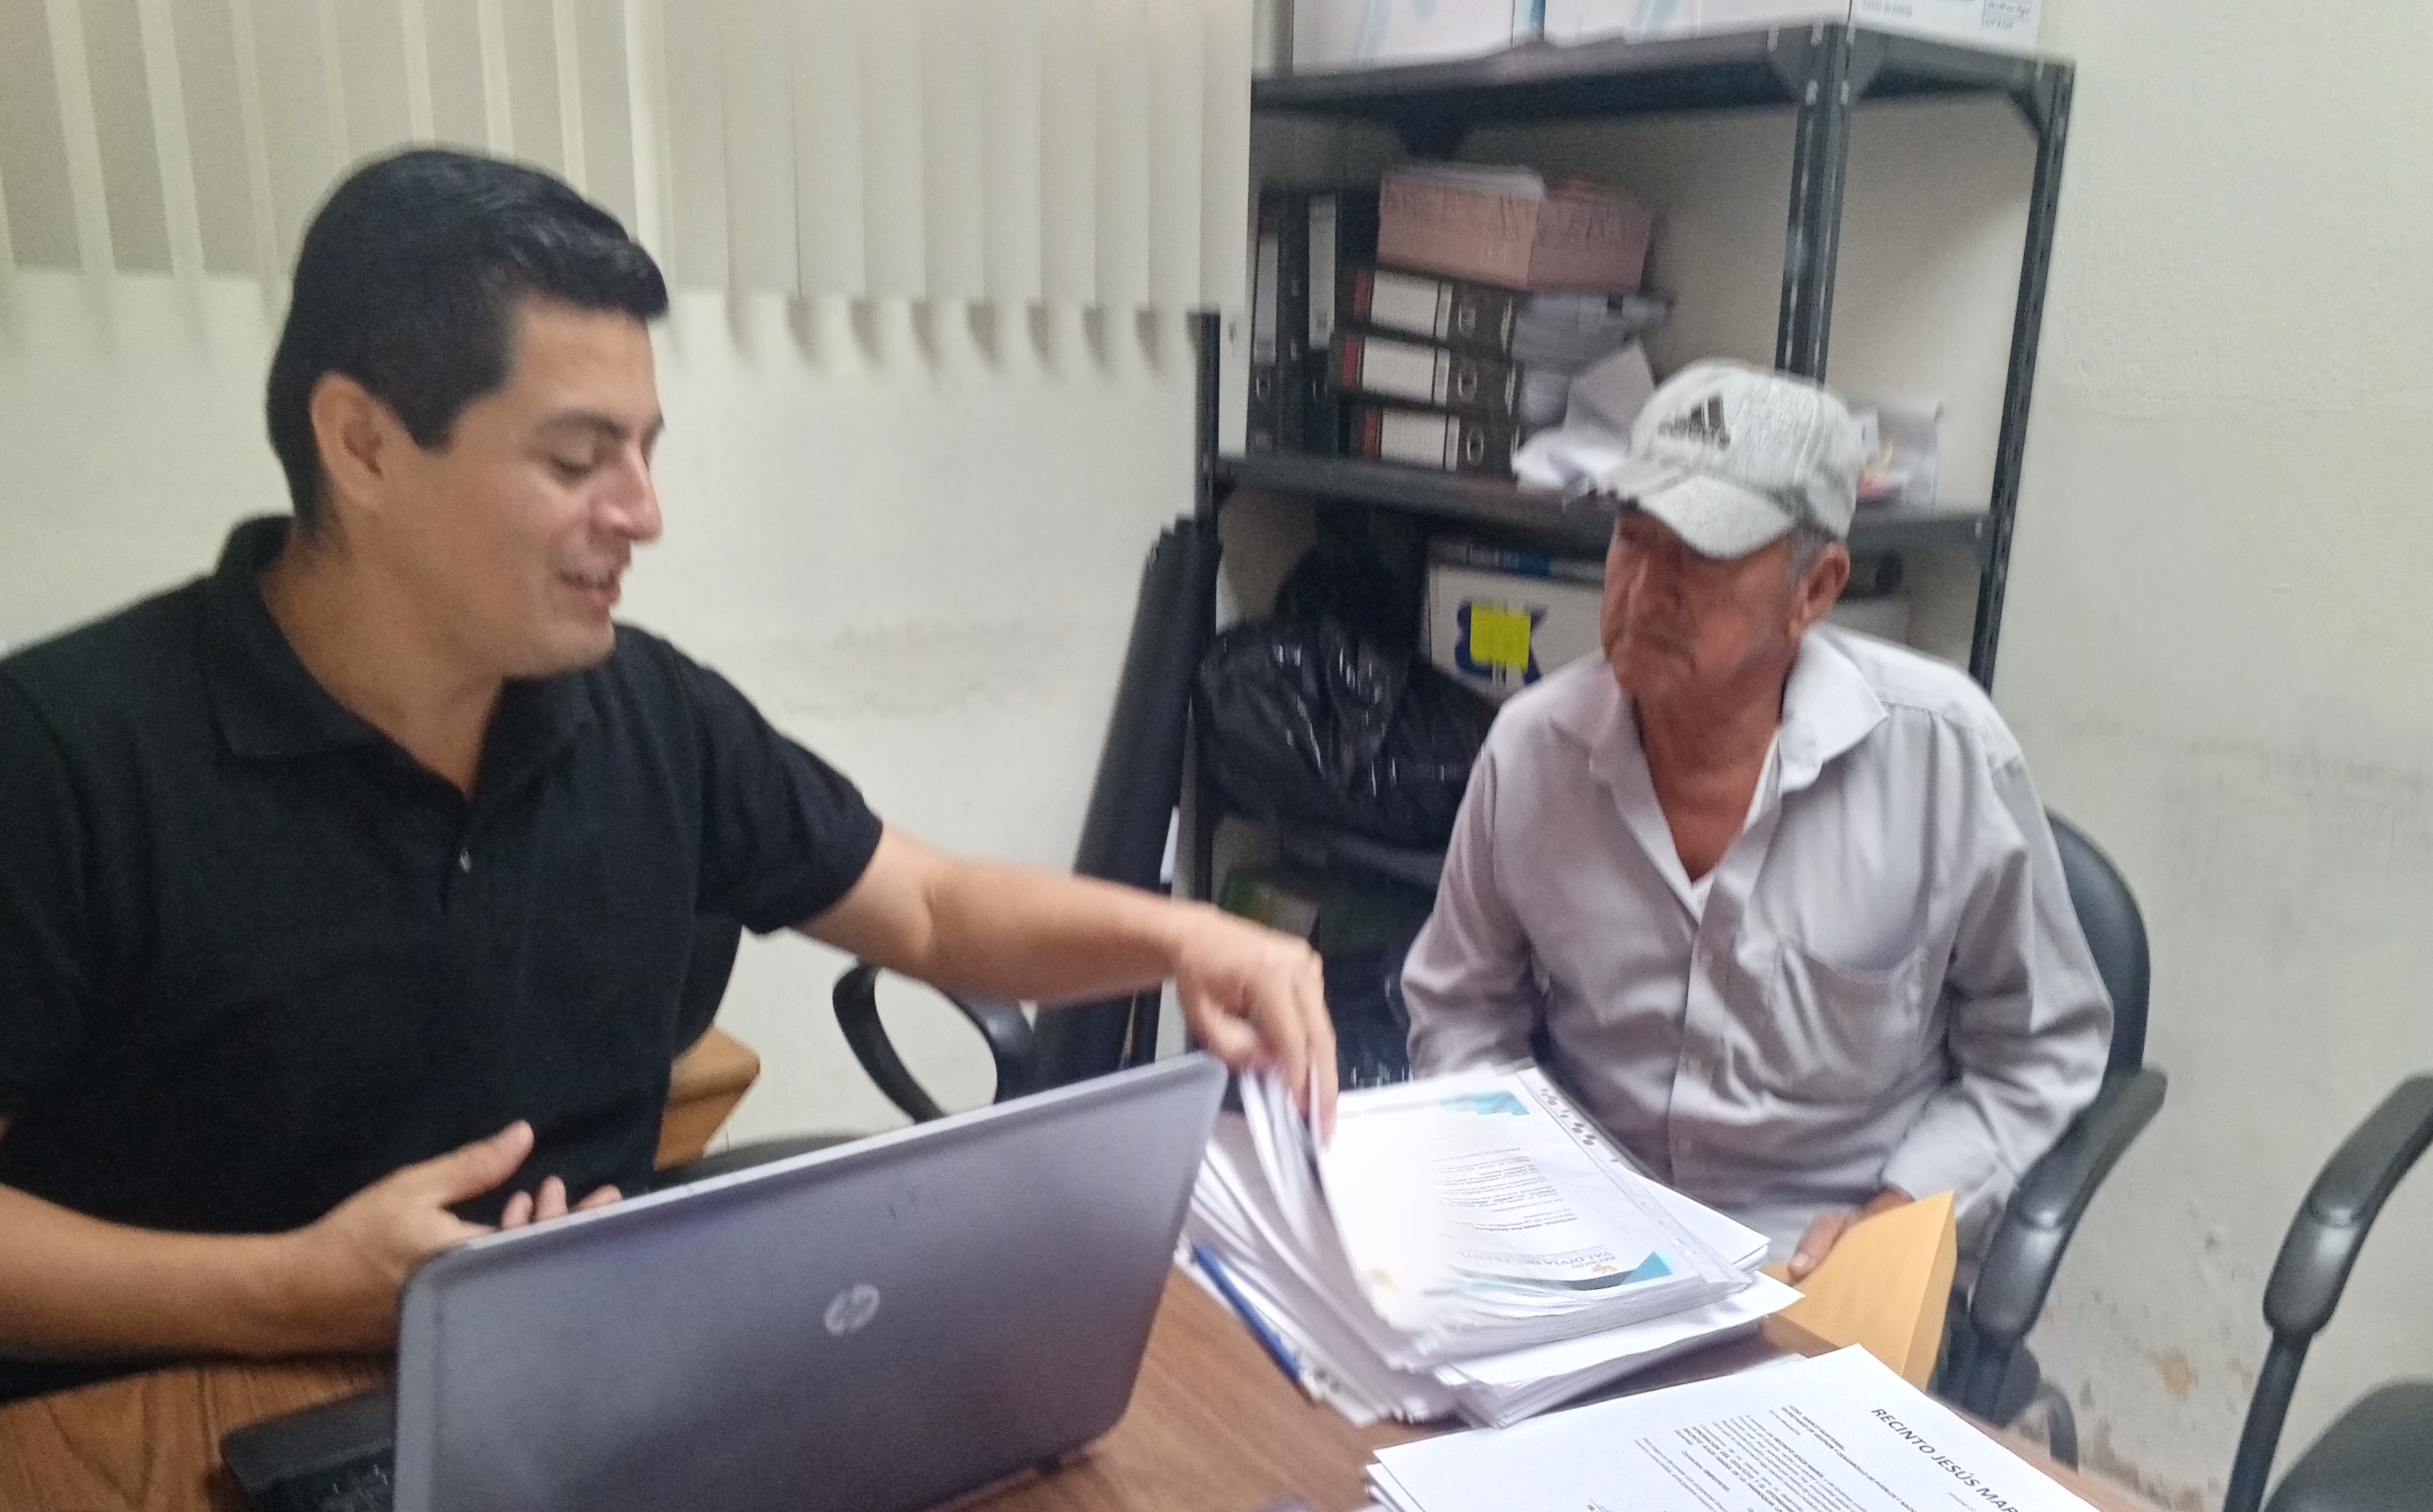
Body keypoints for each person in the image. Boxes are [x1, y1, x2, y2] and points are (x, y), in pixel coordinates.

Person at [0, 149, 1332, 1364]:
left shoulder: (644, 714)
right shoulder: (65, 755)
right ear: (364, 444)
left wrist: (1186, 941)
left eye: (644, 454)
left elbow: (929, 909)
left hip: (579, 1399)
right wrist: (287, 1292)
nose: (643, 514)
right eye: (579, 460)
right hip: (173, 1438)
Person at [1401, 362, 2111, 1282]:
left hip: (1817, 1261)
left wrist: (1902, 1215)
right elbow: (1460, 1007)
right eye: (1632, 538)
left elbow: (2040, 1050)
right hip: (1589, 1244)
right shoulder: (1534, 752)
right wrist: (1526, 1184)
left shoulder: (1943, 760)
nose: (1643, 592)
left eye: (1698, 556)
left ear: (1815, 591)